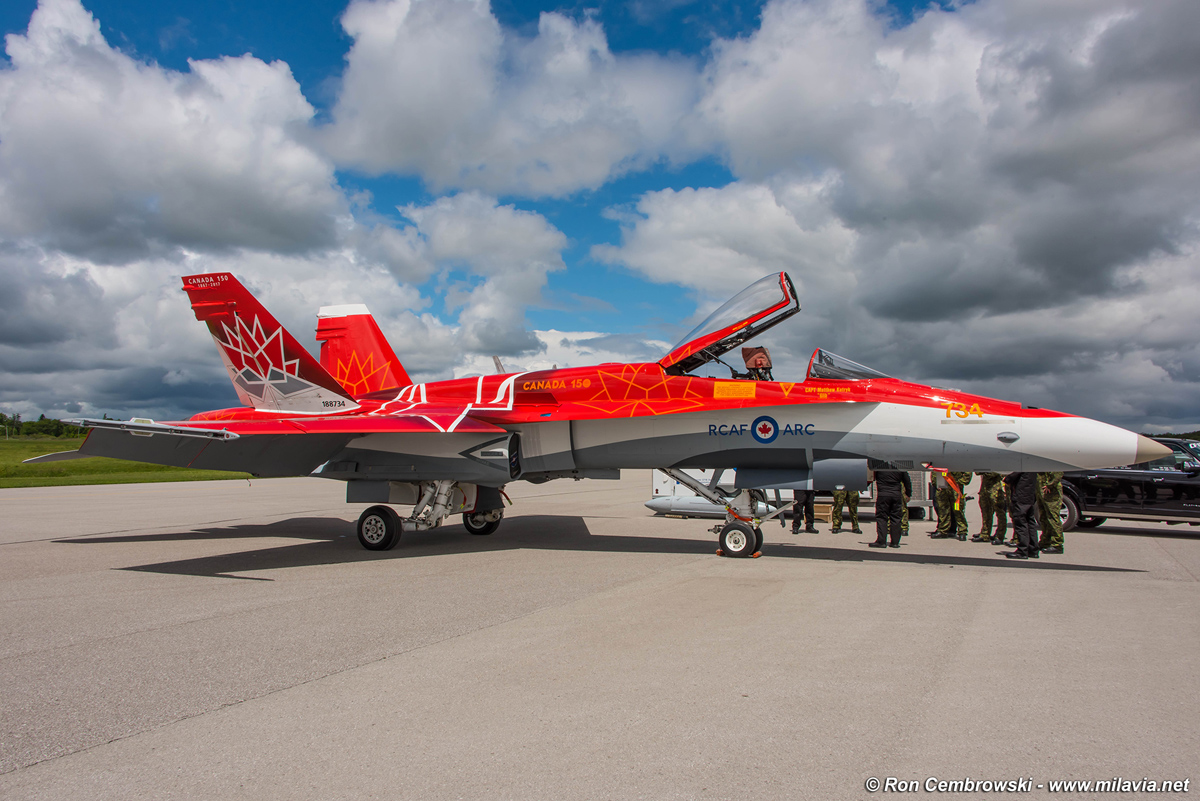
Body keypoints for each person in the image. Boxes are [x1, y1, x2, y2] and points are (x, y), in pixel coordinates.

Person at [869, 469, 912, 548]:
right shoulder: (899, 466)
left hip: (883, 495)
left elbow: (870, 477)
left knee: (882, 518)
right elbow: (907, 480)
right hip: (896, 495)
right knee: (896, 518)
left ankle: (881, 541)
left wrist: (864, 486)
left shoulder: (879, 466)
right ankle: (895, 542)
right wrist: (908, 493)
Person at [1004, 472, 1040, 559]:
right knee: (1030, 522)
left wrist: (1007, 479)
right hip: (1029, 495)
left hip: (1021, 495)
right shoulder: (1032, 466)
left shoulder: (1023, 465)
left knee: (1020, 522)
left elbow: (1012, 476)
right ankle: (1033, 549)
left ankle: (1022, 551)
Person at [932, 470, 970, 540]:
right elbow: (936, 469)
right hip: (942, 484)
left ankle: (962, 531)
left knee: (957, 509)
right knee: (943, 509)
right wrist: (936, 483)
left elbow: (967, 469)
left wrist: (961, 481)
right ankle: (943, 530)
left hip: (955, 485)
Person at [972, 472, 1008, 545]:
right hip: (985, 488)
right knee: (985, 511)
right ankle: (985, 534)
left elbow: (994, 473)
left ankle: (1000, 536)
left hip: (995, 488)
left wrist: (984, 471)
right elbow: (977, 472)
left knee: (1000, 512)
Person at [1037, 472, 1064, 553]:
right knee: (1044, 517)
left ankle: (1057, 544)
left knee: (1053, 518)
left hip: (1051, 492)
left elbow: (1058, 474)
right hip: (1041, 490)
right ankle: (1045, 541)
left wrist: (1050, 484)